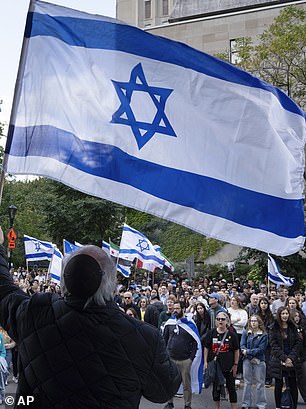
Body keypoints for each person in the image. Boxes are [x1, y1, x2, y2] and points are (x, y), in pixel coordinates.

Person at [0, 230, 181, 409]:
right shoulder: (145, 339)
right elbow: (164, 390)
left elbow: (3, 289)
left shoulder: (35, 313)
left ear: (64, 281)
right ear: (112, 284)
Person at [163, 301, 203, 409]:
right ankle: (170, 403)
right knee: (170, 382)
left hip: (185, 360)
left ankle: (187, 405)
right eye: (174, 309)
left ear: (183, 309)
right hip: (171, 358)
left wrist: (191, 358)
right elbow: (164, 339)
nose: (175, 310)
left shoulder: (190, 324)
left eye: (177, 308)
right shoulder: (169, 323)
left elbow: (195, 342)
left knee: (186, 384)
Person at [204, 311, 240, 409]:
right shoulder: (211, 333)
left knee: (231, 388)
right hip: (215, 366)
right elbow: (206, 347)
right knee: (216, 389)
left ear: (227, 321)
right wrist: (205, 362)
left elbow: (236, 350)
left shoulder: (232, 335)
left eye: (223, 319)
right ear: (216, 321)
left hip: (229, 366)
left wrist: (235, 364)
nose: (220, 321)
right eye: (218, 319)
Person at [269, 306, 301, 409]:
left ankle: (294, 406)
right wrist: (284, 359)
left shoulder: (293, 327)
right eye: (283, 314)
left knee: (292, 384)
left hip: (292, 360)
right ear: (279, 315)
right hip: (278, 360)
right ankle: (278, 406)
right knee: (278, 384)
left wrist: (290, 358)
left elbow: (298, 343)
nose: (285, 316)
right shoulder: (273, 327)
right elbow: (273, 345)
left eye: (286, 314)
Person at [240, 315, 268, 409]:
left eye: (255, 321)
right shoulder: (246, 332)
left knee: (260, 383)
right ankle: (245, 404)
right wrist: (249, 356)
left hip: (259, 360)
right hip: (247, 360)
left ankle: (261, 404)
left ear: (259, 322)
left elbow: (261, 349)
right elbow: (242, 346)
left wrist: (248, 352)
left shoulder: (264, 335)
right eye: (251, 321)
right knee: (247, 382)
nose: (253, 322)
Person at [257, 297, 274, 387]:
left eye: (265, 303)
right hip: (258, 339)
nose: (263, 305)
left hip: (267, 340)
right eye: (262, 303)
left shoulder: (271, 316)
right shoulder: (256, 315)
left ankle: (268, 378)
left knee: (267, 360)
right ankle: (259, 378)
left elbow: (271, 328)